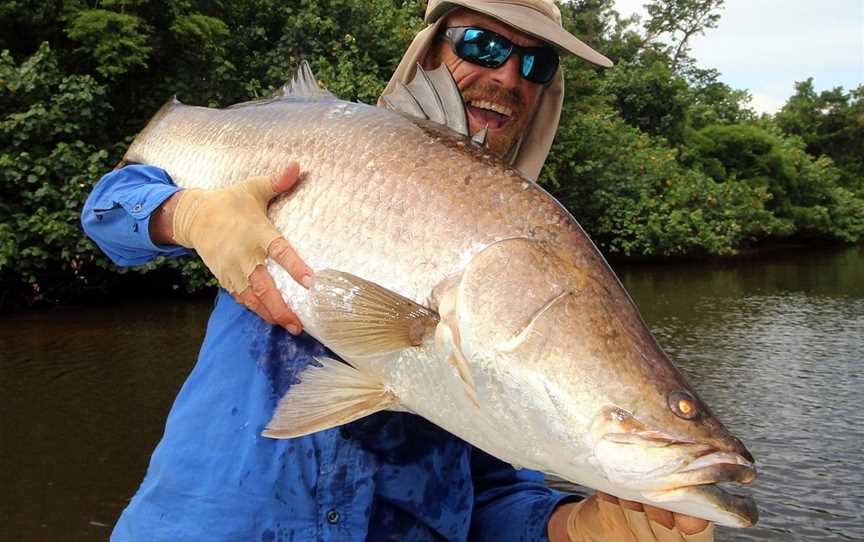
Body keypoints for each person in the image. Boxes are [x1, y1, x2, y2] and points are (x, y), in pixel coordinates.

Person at [82, 1, 716, 540]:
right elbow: (106, 212)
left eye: (537, 62)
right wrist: (185, 214)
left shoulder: (535, 240)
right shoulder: (320, 145)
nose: (509, 74)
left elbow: (490, 503)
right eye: (483, 43)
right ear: (429, 52)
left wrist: (581, 526)